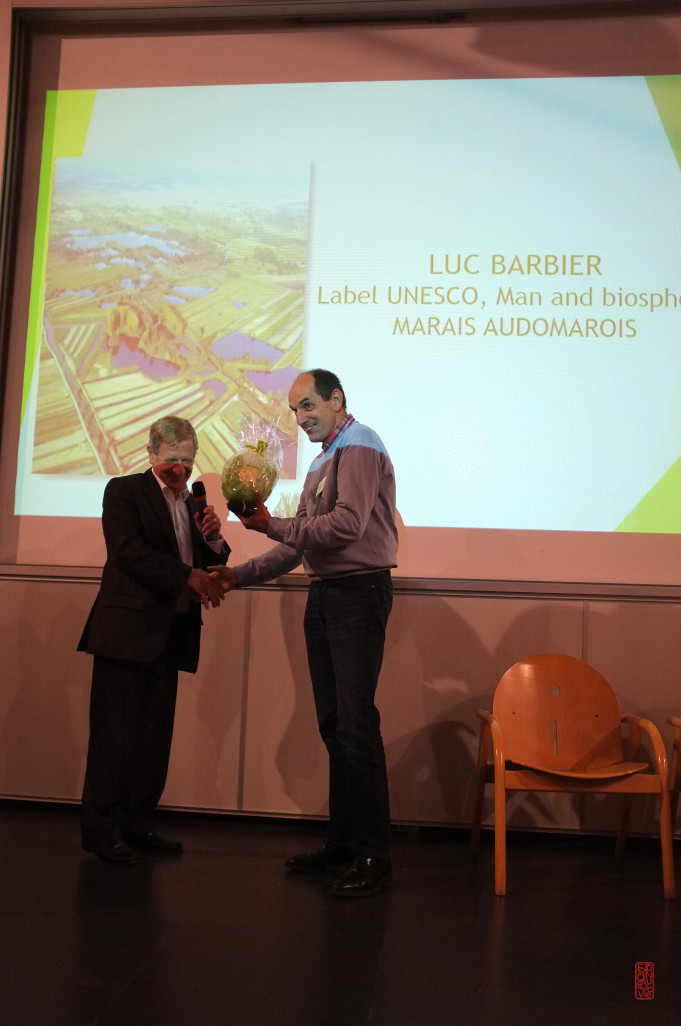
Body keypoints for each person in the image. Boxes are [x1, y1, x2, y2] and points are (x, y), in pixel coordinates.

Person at [211, 369, 398, 897]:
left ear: (337, 400)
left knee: (356, 726)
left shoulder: (359, 445)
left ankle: (372, 854)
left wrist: (271, 523)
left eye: (308, 406)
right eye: (294, 410)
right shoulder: (322, 460)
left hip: (357, 594)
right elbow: (298, 549)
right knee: (336, 727)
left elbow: (346, 527)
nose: (300, 418)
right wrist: (236, 574)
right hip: (328, 596)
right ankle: (343, 844)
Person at [78, 415, 229, 864]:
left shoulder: (190, 504)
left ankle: (138, 824)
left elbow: (205, 559)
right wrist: (189, 576)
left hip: (171, 635)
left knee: (153, 740)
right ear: (150, 454)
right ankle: (101, 831)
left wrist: (216, 542)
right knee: (113, 738)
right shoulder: (124, 491)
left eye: (186, 461)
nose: (180, 471)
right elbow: (129, 553)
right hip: (126, 635)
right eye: (170, 462)